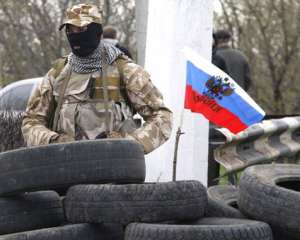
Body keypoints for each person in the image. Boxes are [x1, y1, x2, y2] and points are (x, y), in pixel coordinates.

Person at [21, 3, 173, 154]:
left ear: (96, 31)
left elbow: (163, 118)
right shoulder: (57, 75)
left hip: (117, 170)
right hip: (65, 169)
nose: (75, 34)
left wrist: (129, 144)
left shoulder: (125, 71)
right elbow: (31, 122)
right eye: (70, 29)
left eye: (81, 29)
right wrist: (53, 141)